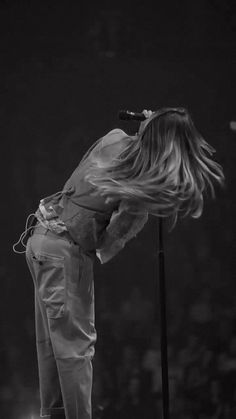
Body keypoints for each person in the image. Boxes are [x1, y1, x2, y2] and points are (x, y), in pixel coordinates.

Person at [21, 107, 223, 419]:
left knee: (51, 344)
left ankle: (54, 415)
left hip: (40, 240)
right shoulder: (139, 181)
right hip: (64, 251)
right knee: (75, 350)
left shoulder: (113, 139)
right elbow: (113, 238)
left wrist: (147, 127)